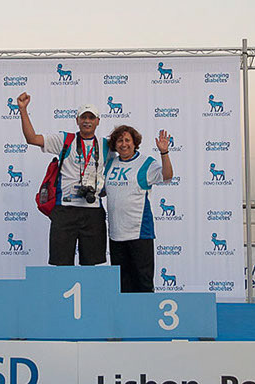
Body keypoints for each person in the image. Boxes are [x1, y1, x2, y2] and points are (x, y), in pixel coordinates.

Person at [17, 92, 109, 266]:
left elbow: (128, 151)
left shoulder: (106, 145)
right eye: (83, 117)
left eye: (91, 117)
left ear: (98, 121)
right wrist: (23, 110)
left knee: (91, 267)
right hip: (65, 211)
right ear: (77, 120)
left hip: (93, 211)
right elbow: (32, 138)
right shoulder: (65, 140)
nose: (87, 121)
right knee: (61, 264)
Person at [104, 126, 173, 292]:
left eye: (127, 140)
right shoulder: (110, 164)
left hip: (139, 233)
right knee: (122, 285)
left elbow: (167, 176)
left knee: (143, 283)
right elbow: (102, 191)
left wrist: (164, 153)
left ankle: (146, 310)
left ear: (135, 143)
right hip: (116, 235)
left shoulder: (146, 163)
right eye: (120, 141)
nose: (123, 144)